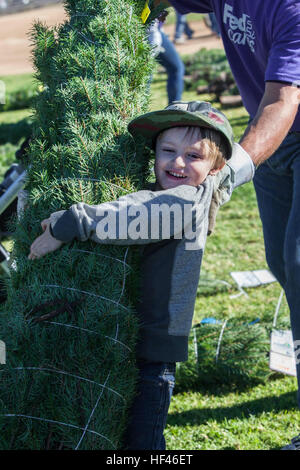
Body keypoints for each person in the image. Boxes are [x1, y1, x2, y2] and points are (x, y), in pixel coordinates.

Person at [27, 100, 253, 449]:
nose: (178, 162)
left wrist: (68, 223)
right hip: (133, 336)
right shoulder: (209, 185)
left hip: (152, 348)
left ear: (213, 167)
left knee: (142, 441)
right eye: (168, 150)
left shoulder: (184, 202)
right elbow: (236, 167)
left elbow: (132, 216)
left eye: (193, 156)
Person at [161, 0, 300, 450]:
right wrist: (147, 19)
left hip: (282, 124)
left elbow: (283, 100)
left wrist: (226, 174)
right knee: (281, 261)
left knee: (299, 264)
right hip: (274, 146)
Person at [148, 18, 185, 103]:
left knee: (176, 68)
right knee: (144, 74)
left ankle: (174, 109)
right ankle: (138, 111)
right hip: (148, 32)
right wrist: (154, 40)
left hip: (156, 30)